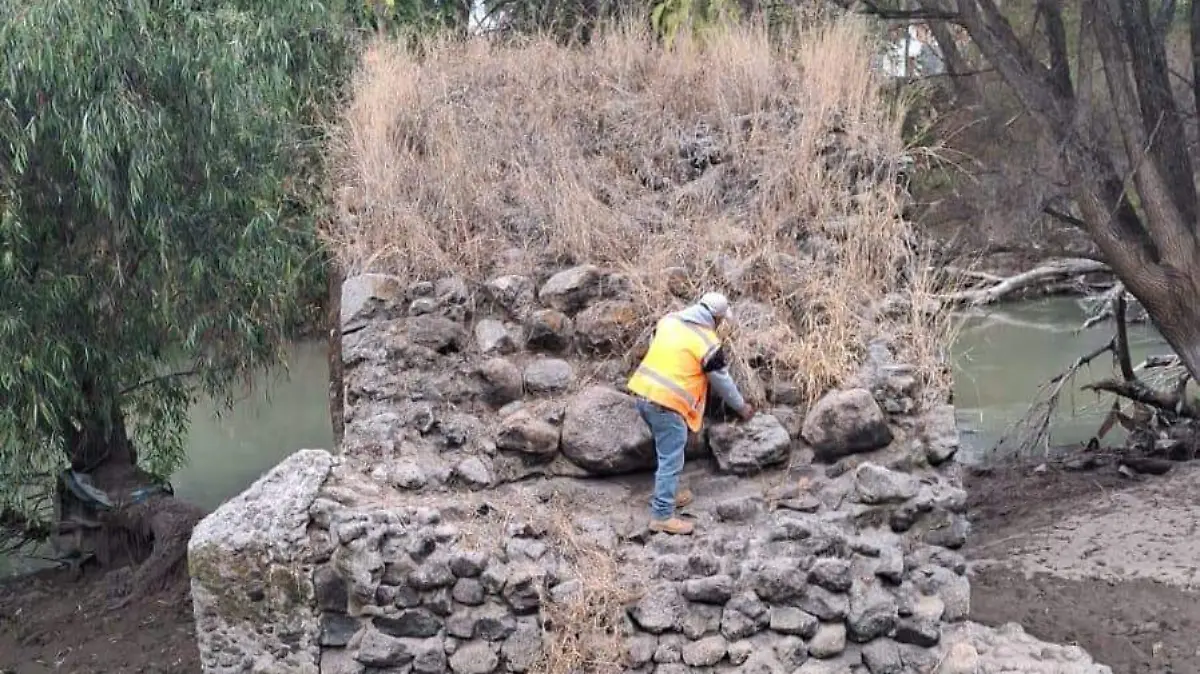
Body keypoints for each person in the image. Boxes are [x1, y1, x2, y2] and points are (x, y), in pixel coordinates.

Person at [627, 292, 755, 535]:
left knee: (667, 452)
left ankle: (667, 495)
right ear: (716, 318)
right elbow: (722, 382)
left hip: (644, 395)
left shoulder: (669, 321)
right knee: (671, 459)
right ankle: (662, 515)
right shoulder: (707, 343)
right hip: (668, 405)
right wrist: (741, 407)